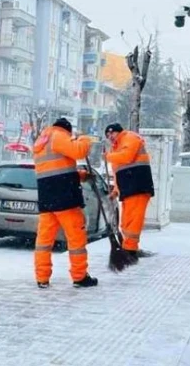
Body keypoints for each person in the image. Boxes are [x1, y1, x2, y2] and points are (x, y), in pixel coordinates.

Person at [32, 118, 99, 289]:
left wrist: (78, 175)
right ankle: (79, 276)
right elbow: (78, 151)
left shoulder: (42, 141)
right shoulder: (58, 136)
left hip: (47, 198)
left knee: (44, 241)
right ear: (67, 130)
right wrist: (84, 138)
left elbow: (55, 170)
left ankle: (42, 278)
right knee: (76, 238)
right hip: (64, 198)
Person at [104, 123, 155, 259]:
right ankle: (129, 246)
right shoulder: (116, 149)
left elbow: (127, 156)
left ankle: (130, 249)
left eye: (112, 133)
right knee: (126, 221)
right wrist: (116, 190)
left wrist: (108, 157)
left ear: (118, 132)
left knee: (133, 219)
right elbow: (118, 173)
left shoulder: (129, 138)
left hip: (138, 186)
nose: (110, 137)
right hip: (128, 189)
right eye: (108, 136)